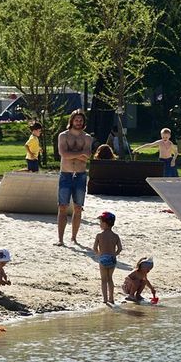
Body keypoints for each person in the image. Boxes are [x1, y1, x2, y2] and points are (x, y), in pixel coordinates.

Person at [56, 110, 93, 246]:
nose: (79, 122)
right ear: (71, 120)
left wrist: (75, 154)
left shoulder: (87, 137)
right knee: (62, 206)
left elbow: (88, 155)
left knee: (78, 207)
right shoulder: (63, 136)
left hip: (80, 175)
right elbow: (63, 154)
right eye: (76, 120)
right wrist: (80, 153)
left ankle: (74, 237)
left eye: (81, 120)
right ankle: (60, 238)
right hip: (65, 174)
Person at [93, 211, 122, 305]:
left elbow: (94, 248)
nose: (100, 224)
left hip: (103, 258)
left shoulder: (99, 235)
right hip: (112, 259)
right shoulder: (115, 236)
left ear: (105, 223)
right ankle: (112, 298)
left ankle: (105, 299)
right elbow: (120, 249)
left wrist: (99, 254)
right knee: (110, 278)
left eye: (100, 222)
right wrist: (114, 254)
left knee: (103, 280)